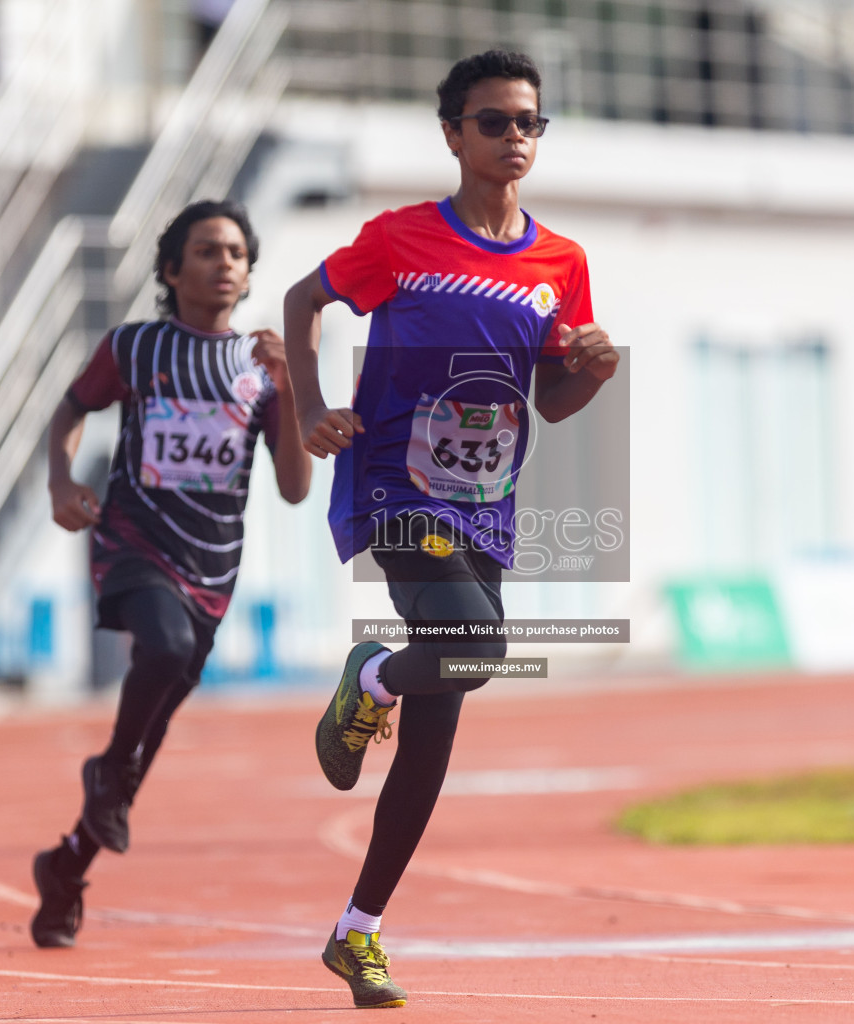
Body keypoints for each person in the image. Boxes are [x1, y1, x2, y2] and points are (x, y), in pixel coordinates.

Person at [283, 50, 619, 1009]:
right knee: (477, 644)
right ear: (452, 134)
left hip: (487, 507)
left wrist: (592, 369)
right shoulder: (397, 241)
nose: (516, 137)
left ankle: (359, 932)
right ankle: (374, 672)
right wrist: (311, 408)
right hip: (395, 486)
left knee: (436, 735)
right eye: (496, 121)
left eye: (530, 123)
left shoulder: (563, 264)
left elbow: (552, 403)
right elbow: (305, 300)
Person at [29, 199, 310, 948]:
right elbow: (68, 411)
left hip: (212, 565)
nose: (224, 263)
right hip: (131, 541)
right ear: (171, 268)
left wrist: (290, 393)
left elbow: (294, 486)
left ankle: (66, 869)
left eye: (236, 254)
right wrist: (61, 482)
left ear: (249, 273)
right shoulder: (133, 349)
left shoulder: (263, 369)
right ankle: (107, 768)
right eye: (208, 250)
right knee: (161, 650)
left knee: (152, 731)